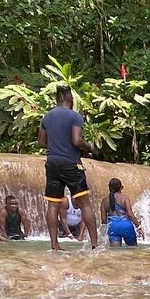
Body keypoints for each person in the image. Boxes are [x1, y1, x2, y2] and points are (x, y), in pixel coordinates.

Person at [38, 85, 98, 250]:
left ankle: (54, 245)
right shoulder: (75, 116)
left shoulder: (47, 117)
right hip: (71, 163)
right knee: (85, 204)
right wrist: (90, 147)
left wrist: (56, 146)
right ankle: (95, 245)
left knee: (53, 205)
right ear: (70, 99)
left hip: (52, 162)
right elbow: (77, 140)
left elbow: (41, 142)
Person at [102, 177, 140, 246]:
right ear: (121, 187)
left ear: (109, 187)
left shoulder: (104, 201)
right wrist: (138, 227)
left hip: (112, 226)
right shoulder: (124, 198)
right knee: (133, 250)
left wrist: (104, 233)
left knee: (115, 252)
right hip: (126, 226)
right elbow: (130, 215)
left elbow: (103, 219)